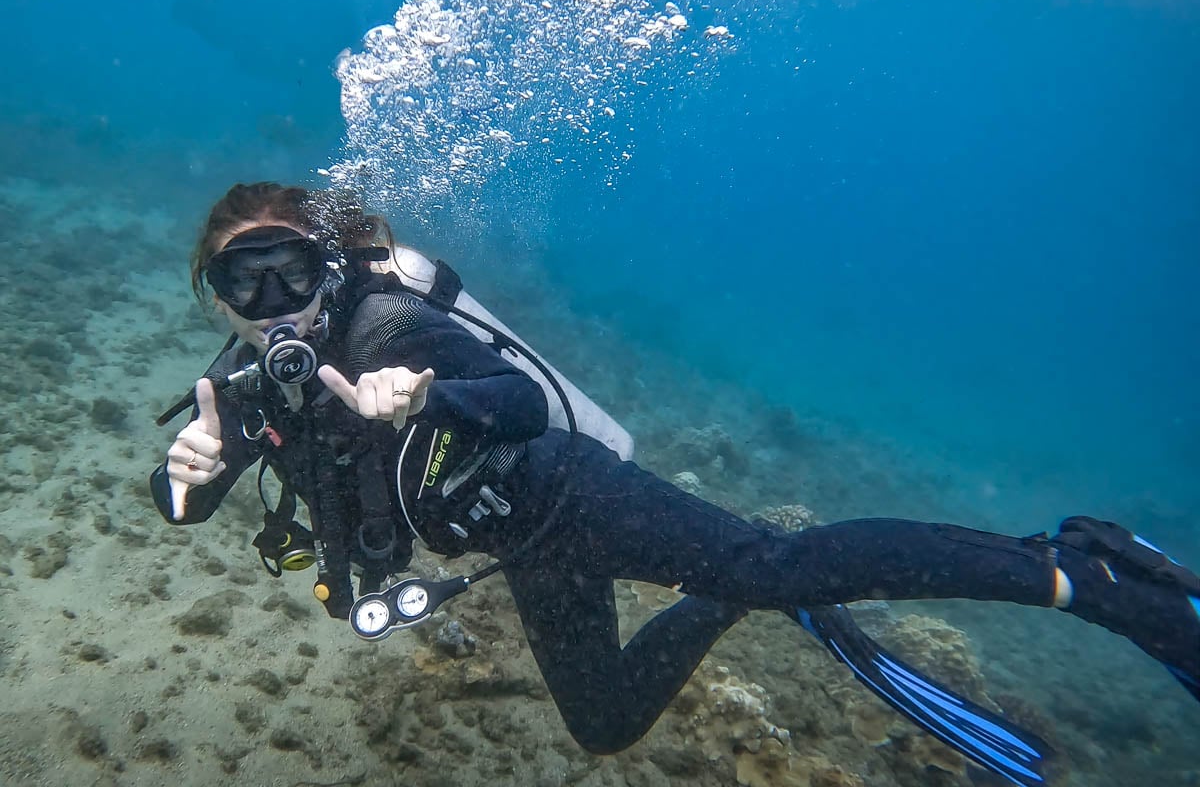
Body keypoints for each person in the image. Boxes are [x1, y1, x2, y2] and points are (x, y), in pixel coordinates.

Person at [151, 182, 1199, 786]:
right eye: (242, 282)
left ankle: (1081, 569)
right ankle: (726, 593)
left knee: (776, 563)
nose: (272, 299)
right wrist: (186, 477)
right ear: (217, 299)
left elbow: (515, 401)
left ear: (328, 266)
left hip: (567, 488)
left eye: (289, 267)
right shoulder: (239, 389)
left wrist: (428, 397)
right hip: (523, 546)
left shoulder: (390, 329)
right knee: (605, 721)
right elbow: (178, 493)